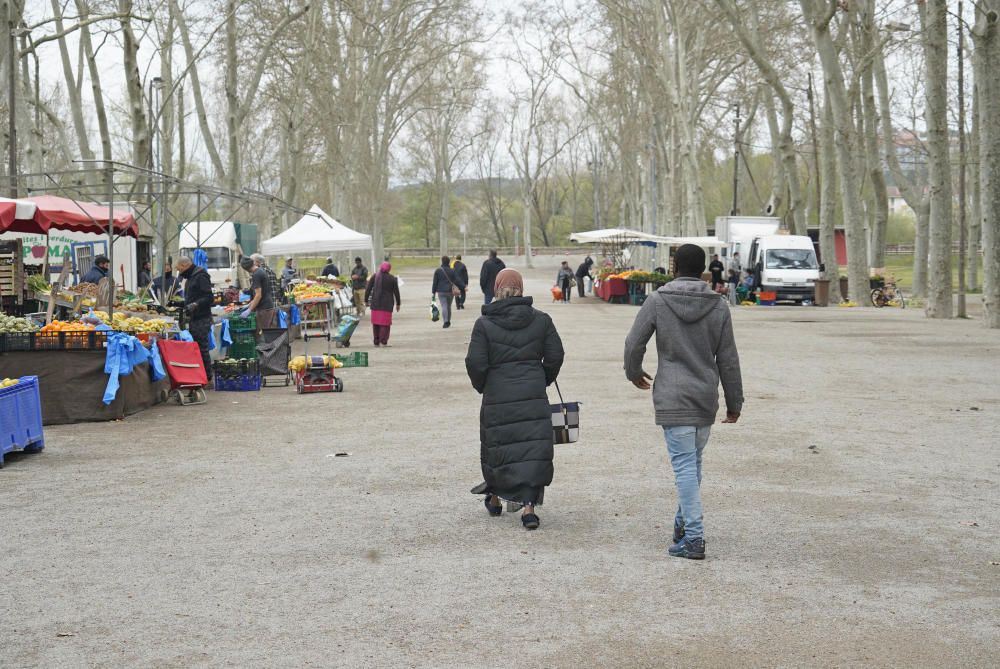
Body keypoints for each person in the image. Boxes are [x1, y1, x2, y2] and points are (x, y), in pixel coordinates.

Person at [623, 244, 744, 560]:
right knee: (694, 465)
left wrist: (633, 373)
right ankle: (682, 526)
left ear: (674, 266)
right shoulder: (718, 306)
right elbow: (728, 358)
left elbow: (634, 343)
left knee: (686, 467)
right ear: (703, 269)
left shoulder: (658, 301)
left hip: (673, 396)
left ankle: (694, 537)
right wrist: (734, 401)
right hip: (704, 396)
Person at [465, 268, 565, 530]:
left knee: (498, 446)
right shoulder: (541, 320)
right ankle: (529, 508)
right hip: (532, 391)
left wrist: (484, 385)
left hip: (498, 393)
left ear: (496, 289)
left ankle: (496, 498)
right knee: (532, 448)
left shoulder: (484, 324)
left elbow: (475, 362)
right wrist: (541, 378)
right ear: (521, 288)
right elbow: (556, 355)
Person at [175, 257, 215, 383]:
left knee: (201, 347)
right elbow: (192, 296)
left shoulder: (201, 276)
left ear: (185, 265)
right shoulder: (191, 277)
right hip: (194, 317)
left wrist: (195, 304)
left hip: (202, 317)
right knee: (197, 346)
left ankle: (207, 376)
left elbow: (209, 297)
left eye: (179, 268)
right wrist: (183, 304)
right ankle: (201, 375)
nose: (179, 272)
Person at [365, 262, 400, 346]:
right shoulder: (392, 278)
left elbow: (368, 288)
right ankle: (383, 341)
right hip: (387, 305)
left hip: (375, 303)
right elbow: (396, 292)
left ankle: (376, 341)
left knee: (376, 323)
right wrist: (398, 304)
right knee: (385, 323)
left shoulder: (375, 276)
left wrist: (366, 300)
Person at [240, 256, 276, 331]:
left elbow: (258, 295)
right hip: (267, 306)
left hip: (264, 309)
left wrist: (249, 309)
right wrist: (250, 304)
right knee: (264, 332)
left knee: (262, 334)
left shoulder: (256, 275)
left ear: (246, 268)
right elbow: (262, 292)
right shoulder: (260, 271)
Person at [432, 255, 464, 329]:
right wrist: (463, 286)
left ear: (442, 262)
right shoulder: (452, 270)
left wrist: (433, 292)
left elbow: (435, 282)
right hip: (450, 291)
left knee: (444, 306)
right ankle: (448, 320)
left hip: (441, 291)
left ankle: (446, 321)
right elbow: (457, 279)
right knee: (448, 306)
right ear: (449, 262)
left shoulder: (438, 270)